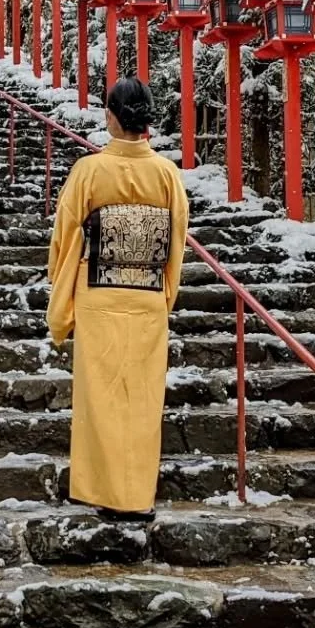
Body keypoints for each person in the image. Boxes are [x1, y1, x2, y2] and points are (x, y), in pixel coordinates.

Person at [46, 78, 188, 522]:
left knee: (100, 396)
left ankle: (101, 489)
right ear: (145, 121)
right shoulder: (167, 174)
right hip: (146, 297)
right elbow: (176, 246)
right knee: (142, 401)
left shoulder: (89, 171)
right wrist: (166, 296)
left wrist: (62, 298)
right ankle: (137, 494)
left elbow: (65, 239)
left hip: (98, 292)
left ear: (111, 116)